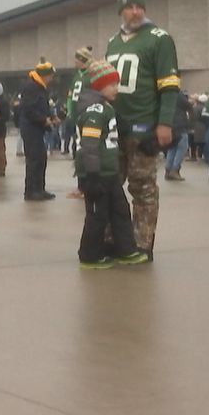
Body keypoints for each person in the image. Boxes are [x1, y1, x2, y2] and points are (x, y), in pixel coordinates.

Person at [105, 0, 179, 257]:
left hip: (144, 125)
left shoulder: (159, 39)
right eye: (129, 8)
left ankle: (142, 242)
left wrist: (165, 122)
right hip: (116, 126)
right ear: (120, 11)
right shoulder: (113, 42)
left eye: (140, 7)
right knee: (111, 184)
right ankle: (113, 238)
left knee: (143, 186)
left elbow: (169, 84)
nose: (135, 12)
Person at [74, 60, 150, 269]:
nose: (117, 88)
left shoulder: (107, 108)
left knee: (120, 210)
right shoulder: (95, 111)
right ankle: (89, 256)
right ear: (99, 86)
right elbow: (89, 145)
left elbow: (122, 128)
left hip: (109, 173)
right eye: (112, 84)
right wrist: (91, 174)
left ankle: (126, 250)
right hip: (96, 174)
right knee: (97, 215)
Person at [19, 60, 59, 201]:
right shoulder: (31, 87)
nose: (52, 79)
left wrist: (52, 117)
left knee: (41, 158)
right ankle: (31, 191)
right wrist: (43, 119)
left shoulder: (41, 88)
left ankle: (39, 189)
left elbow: (43, 106)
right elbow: (28, 109)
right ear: (45, 75)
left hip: (38, 128)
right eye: (51, 76)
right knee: (34, 159)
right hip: (30, 128)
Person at [164, 91, 192, 182]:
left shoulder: (165, 94)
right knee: (182, 147)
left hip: (169, 124)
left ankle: (168, 170)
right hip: (180, 125)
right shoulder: (178, 94)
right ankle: (175, 170)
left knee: (172, 148)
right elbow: (188, 105)